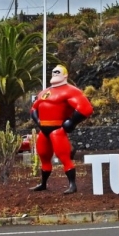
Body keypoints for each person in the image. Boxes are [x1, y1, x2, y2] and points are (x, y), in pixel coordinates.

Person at [30, 65, 93, 194]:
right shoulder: (44, 92)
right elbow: (33, 109)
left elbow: (85, 108)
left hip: (57, 130)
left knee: (64, 157)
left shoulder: (71, 91)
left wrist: (72, 122)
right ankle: (43, 183)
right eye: (53, 72)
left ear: (65, 75)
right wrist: (38, 121)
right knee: (43, 156)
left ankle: (72, 185)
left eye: (58, 72)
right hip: (44, 129)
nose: (55, 73)